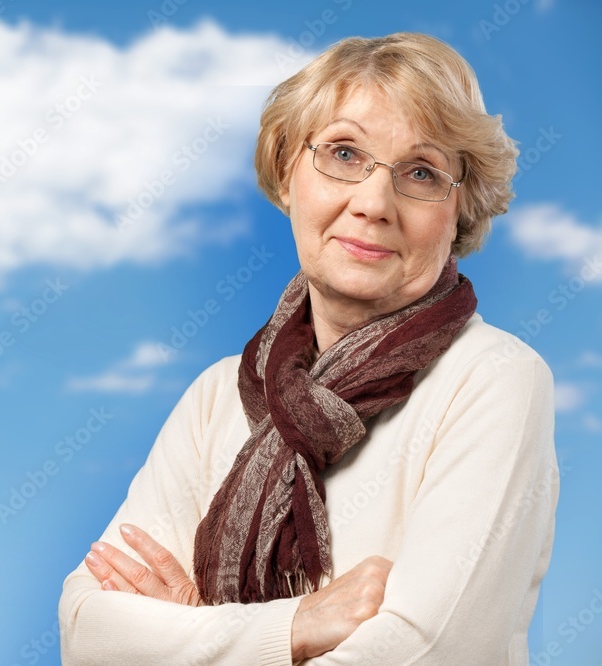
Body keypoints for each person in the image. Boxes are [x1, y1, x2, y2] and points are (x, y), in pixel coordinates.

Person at [58, 32, 559, 665]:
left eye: (422, 172)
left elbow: (427, 650)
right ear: (286, 173)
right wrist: (296, 626)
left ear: (461, 211)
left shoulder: (495, 380)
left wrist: (195, 633)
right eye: (344, 154)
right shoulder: (218, 397)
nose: (374, 203)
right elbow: (89, 633)